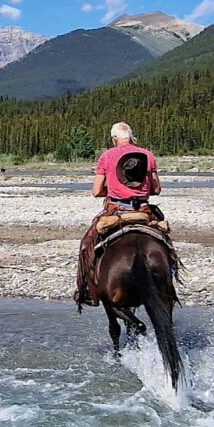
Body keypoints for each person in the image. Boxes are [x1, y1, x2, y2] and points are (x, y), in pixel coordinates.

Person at [74, 122, 162, 308]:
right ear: (131, 136)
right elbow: (156, 189)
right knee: (165, 243)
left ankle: (87, 291)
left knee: (86, 245)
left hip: (116, 211)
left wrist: (115, 188)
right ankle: (170, 280)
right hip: (143, 212)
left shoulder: (107, 156)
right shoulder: (148, 155)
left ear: (115, 138)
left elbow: (97, 191)